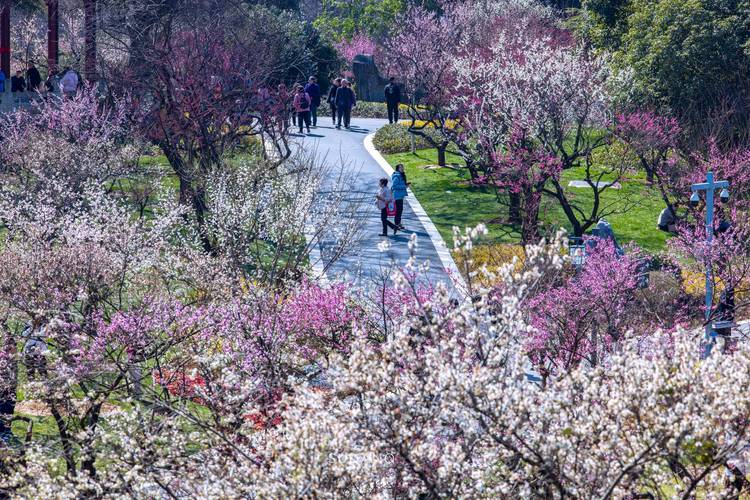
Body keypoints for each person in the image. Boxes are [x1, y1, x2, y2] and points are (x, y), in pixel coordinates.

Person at [391, 163, 411, 230]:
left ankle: (398, 223)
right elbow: (394, 186)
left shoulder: (401, 175)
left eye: (402, 167)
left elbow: (400, 184)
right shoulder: (397, 176)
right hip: (397, 195)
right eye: (400, 167)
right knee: (398, 210)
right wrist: (404, 186)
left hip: (400, 195)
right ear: (397, 169)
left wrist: (406, 185)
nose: (402, 168)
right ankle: (397, 224)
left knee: (400, 210)